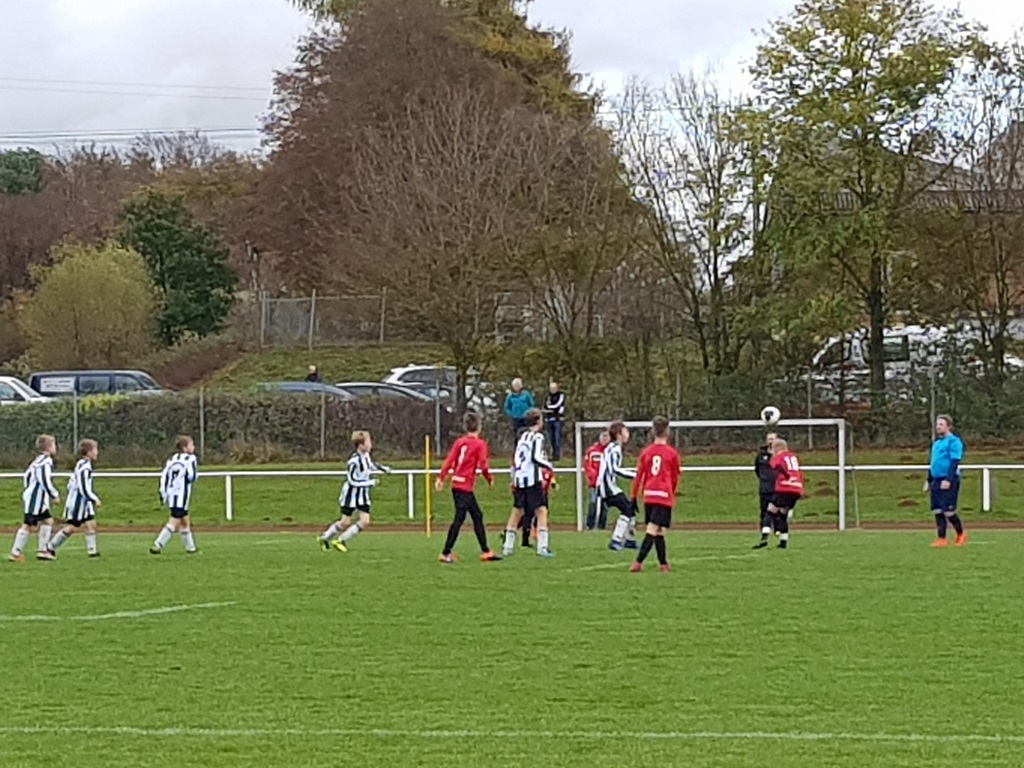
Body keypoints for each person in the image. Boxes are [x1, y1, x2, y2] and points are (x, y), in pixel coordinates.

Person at [435, 412, 502, 564]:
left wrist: (441, 477)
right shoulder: (480, 444)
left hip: (457, 484)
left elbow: (450, 460)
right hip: (464, 486)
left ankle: (486, 551)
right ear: (479, 426)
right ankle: (445, 552)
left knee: (477, 515)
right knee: (459, 519)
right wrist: (489, 478)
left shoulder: (460, 442)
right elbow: (483, 464)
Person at [317, 431, 391, 553]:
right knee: (345, 522)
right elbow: (352, 481)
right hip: (350, 495)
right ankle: (325, 537)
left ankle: (341, 540)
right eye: (368, 442)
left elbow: (370, 465)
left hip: (362, 495)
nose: (371, 444)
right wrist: (369, 483)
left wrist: (383, 469)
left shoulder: (366, 456)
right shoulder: (354, 461)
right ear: (361, 445)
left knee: (365, 521)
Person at [630, 417, 681, 573]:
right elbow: (675, 477)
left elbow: (639, 475)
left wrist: (634, 496)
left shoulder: (646, 452)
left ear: (653, 432)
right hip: (663, 495)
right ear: (668, 432)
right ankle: (638, 562)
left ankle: (663, 564)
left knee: (659, 531)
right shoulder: (672, 453)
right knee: (652, 529)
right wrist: (671, 494)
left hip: (649, 495)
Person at [501, 408, 555, 558]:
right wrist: (548, 465)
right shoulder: (537, 437)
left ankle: (507, 547)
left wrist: (514, 476)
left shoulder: (523, 436)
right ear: (538, 421)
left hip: (520, 478)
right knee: (541, 510)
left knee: (517, 511)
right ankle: (542, 547)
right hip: (531, 479)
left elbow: (517, 457)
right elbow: (535, 457)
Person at [47, 439, 102, 559]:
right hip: (78, 502)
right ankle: (50, 547)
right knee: (72, 527)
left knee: (91, 524)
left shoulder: (83, 464)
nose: (97, 452)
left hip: (83, 502)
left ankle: (92, 552)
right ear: (88, 452)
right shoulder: (84, 467)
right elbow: (83, 487)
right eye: (95, 450)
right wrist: (93, 498)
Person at [10, 434, 60, 562]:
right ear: (49, 447)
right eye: (54, 445)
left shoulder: (37, 460)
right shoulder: (45, 461)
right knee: (28, 525)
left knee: (48, 521)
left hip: (37, 498)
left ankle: (42, 551)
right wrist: (54, 494)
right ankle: (15, 553)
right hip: (35, 499)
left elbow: (27, 476)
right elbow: (44, 480)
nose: (56, 447)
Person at [150, 435, 200, 555]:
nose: (193, 447)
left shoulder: (172, 459)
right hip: (181, 494)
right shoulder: (190, 459)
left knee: (185, 520)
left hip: (171, 494)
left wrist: (163, 492)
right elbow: (192, 477)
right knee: (175, 521)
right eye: (191, 445)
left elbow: (164, 476)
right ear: (185, 447)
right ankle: (158, 544)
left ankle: (191, 548)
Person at [925, 414, 967, 548]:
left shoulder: (954, 442)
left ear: (948, 426)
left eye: (941, 424)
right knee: (937, 510)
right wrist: (928, 480)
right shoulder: (936, 444)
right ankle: (941, 538)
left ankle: (961, 534)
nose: (938, 427)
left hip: (949, 479)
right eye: (937, 424)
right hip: (936, 479)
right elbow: (933, 463)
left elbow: (955, 461)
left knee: (948, 511)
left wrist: (948, 479)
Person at [758, 438, 803, 550]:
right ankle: (783, 541)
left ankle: (764, 536)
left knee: (770, 510)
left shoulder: (779, 457)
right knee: (782, 514)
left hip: (785, 487)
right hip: (797, 489)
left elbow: (773, 465)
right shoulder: (793, 456)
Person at [601, 422, 639, 551]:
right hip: (608, 487)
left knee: (630, 509)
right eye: (625, 431)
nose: (628, 434)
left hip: (609, 486)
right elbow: (615, 470)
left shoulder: (612, 448)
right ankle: (616, 540)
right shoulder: (614, 449)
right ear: (619, 435)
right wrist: (636, 475)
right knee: (627, 509)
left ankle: (630, 540)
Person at [753, 432, 778, 549]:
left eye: (773, 439)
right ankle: (764, 535)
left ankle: (779, 532)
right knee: (764, 512)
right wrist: (764, 479)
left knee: (778, 512)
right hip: (765, 488)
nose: (771, 441)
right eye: (769, 439)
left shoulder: (781, 455)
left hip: (778, 488)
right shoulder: (761, 455)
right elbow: (757, 470)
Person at [584, 431, 610, 530]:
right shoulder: (592, 451)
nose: (604, 439)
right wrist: (593, 478)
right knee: (593, 502)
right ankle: (590, 525)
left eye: (606, 437)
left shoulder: (610, 451)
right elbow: (587, 466)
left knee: (605, 504)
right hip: (594, 482)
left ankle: (602, 525)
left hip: (606, 483)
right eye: (603, 436)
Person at [543, 381, 567, 461]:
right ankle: (550, 454)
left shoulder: (561, 395)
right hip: (549, 419)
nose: (552, 390)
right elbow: (545, 407)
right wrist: (551, 409)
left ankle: (557, 455)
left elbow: (558, 406)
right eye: (551, 388)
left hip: (558, 420)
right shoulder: (547, 396)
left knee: (557, 438)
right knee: (549, 438)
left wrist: (551, 409)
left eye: (554, 388)